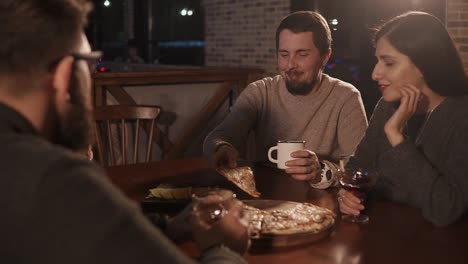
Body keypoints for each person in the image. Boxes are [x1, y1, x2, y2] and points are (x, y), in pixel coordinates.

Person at [0, 0, 249, 263]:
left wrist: (170, 227)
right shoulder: (53, 178)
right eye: (90, 65)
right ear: (64, 76)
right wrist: (224, 248)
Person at [204, 11, 368, 189]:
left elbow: (360, 167)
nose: (290, 65)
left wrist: (321, 171)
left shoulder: (346, 97)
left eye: (302, 54)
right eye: (284, 54)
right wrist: (222, 147)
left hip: (321, 202)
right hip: (267, 199)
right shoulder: (261, 92)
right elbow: (217, 137)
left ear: (325, 57)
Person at [338, 11, 468, 227]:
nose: (375, 74)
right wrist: (347, 196)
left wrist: (396, 136)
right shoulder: (387, 106)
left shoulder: (462, 116)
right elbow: (357, 169)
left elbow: (445, 210)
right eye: (377, 61)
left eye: (388, 63)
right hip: (384, 238)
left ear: (423, 65)